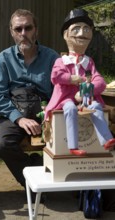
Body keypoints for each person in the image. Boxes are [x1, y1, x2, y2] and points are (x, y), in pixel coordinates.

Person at [0, 9, 59, 188]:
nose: (23, 34)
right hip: (15, 113)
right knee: (1, 145)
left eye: (28, 28)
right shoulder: (3, 59)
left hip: (47, 112)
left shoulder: (52, 58)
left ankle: (80, 187)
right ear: (11, 32)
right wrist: (19, 119)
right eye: (18, 29)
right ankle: (32, 177)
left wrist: (50, 114)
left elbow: (60, 91)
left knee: (73, 137)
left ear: (36, 30)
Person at [44, 8, 115, 156]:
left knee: (96, 106)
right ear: (66, 35)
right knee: (70, 108)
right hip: (65, 100)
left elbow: (100, 82)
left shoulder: (88, 63)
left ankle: (106, 139)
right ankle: (73, 146)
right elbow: (55, 76)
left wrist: (85, 91)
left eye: (86, 29)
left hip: (86, 100)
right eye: (76, 29)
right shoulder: (61, 61)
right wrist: (71, 79)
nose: (82, 33)